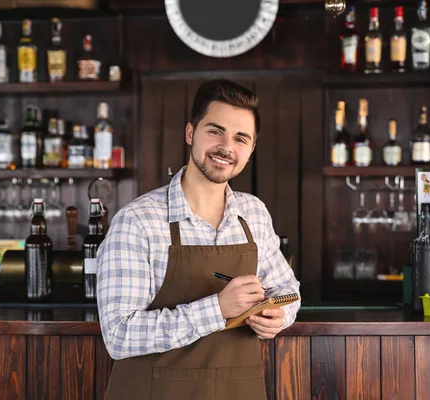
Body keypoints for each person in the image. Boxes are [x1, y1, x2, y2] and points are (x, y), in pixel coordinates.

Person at [97, 79, 301, 400]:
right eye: (215, 131)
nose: (226, 147)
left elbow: (288, 292)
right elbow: (119, 335)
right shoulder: (138, 221)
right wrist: (218, 308)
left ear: (251, 150)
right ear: (190, 133)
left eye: (240, 138)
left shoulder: (254, 214)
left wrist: (277, 316)